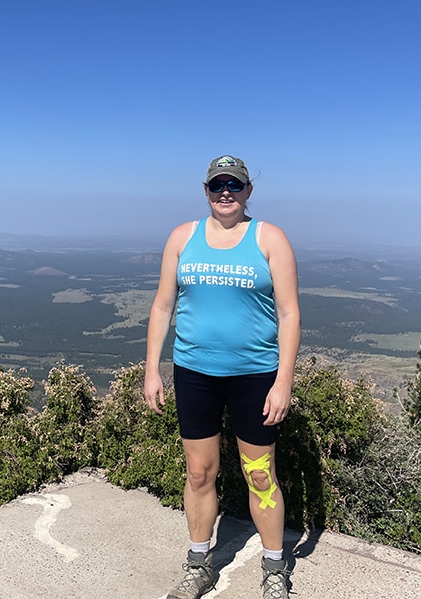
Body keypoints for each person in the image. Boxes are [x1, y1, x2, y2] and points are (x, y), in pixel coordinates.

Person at [144, 155, 301, 599]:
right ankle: (199, 565)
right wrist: (152, 368)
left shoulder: (270, 238)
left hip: (254, 375)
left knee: (260, 474)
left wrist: (283, 380)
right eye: (217, 185)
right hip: (194, 373)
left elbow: (290, 314)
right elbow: (162, 305)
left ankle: (274, 571)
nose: (225, 192)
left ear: (249, 190)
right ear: (206, 190)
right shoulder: (182, 238)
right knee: (198, 473)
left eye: (234, 184)